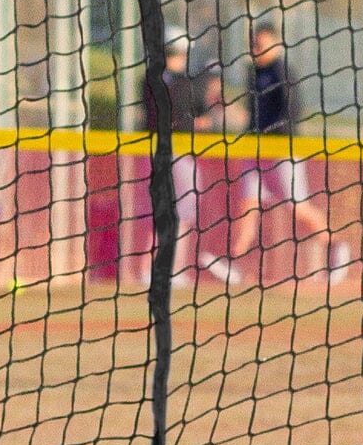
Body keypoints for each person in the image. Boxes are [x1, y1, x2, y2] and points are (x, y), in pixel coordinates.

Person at [229, 19, 351, 284]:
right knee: (247, 204)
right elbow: (254, 114)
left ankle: (335, 244)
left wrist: (270, 136)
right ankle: (237, 262)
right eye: (253, 43)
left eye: (260, 43)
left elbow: (292, 113)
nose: (255, 48)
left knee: (296, 206)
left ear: (274, 43)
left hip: (282, 150)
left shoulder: (283, 71)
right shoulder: (252, 72)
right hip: (255, 150)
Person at [148, 28, 237, 286]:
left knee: (174, 211)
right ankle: (167, 269)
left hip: (168, 152)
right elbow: (179, 118)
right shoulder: (177, 82)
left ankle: (167, 269)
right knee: (178, 212)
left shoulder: (170, 79)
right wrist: (199, 121)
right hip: (177, 153)